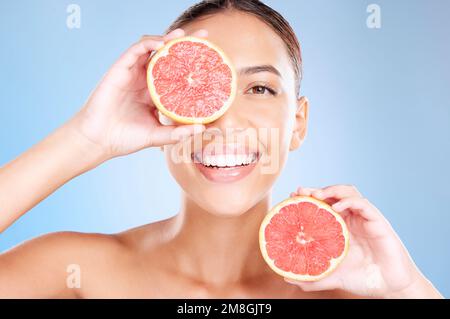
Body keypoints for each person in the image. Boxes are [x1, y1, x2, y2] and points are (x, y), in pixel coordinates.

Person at [0, 0, 442, 298]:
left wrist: (408, 291)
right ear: (160, 108)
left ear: (298, 122)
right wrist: (86, 140)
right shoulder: (76, 274)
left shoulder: (358, 289)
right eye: (200, 89)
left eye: (260, 88)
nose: (226, 120)